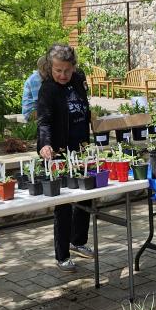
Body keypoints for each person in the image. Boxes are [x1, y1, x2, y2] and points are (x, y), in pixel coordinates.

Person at [37, 43, 94, 271]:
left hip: (80, 148)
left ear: (73, 68)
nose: (62, 75)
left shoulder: (78, 80)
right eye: (58, 70)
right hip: (58, 150)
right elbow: (44, 121)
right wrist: (46, 144)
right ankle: (61, 254)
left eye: (66, 70)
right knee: (63, 203)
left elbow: (84, 108)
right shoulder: (48, 89)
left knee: (85, 196)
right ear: (50, 67)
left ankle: (78, 241)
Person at [21, 55, 48, 120]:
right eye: (46, 71)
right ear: (41, 69)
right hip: (30, 112)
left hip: (38, 109)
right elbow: (41, 100)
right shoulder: (35, 80)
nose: (48, 73)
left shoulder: (42, 77)